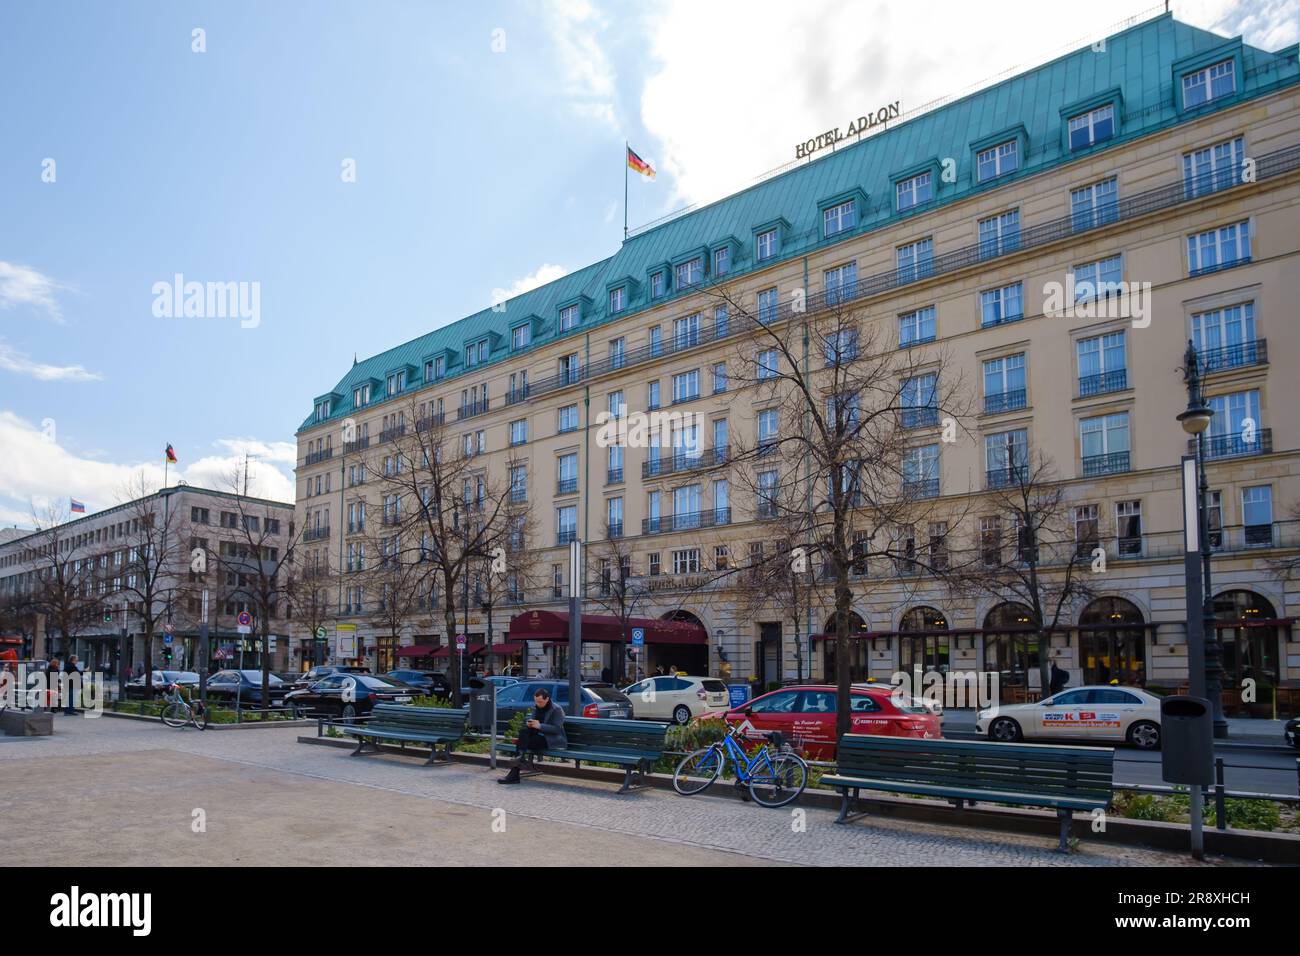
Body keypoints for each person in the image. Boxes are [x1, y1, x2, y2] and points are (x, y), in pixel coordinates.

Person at [498, 686, 566, 785]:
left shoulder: (557, 709)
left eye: (540, 702)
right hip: (537, 736)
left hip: (551, 739)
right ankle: (519, 762)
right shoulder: (536, 708)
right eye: (536, 701)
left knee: (521, 743)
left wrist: (540, 726)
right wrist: (530, 723)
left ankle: (515, 773)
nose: (538, 704)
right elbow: (533, 723)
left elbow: (557, 729)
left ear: (547, 699)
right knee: (523, 732)